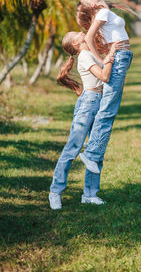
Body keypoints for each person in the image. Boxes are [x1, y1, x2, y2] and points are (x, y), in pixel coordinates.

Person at [49, 31, 122, 209]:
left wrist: (109, 52)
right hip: (89, 103)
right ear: (76, 43)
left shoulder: (91, 53)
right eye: (78, 33)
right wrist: (111, 55)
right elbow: (104, 76)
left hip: (100, 102)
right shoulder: (84, 56)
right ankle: (55, 192)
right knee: (73, 148)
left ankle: (90, 194)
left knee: (96, 148)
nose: (83, 32)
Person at [76, 0, 134, 173]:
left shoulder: (105, 12)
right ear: (93, 5)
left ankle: (92, 148)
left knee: (109, 107)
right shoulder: (102, 13)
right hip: (119, 57)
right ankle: (92, 153)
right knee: (108, 109)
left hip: (122, 56)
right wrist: (101, 60)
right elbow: (88, 38)